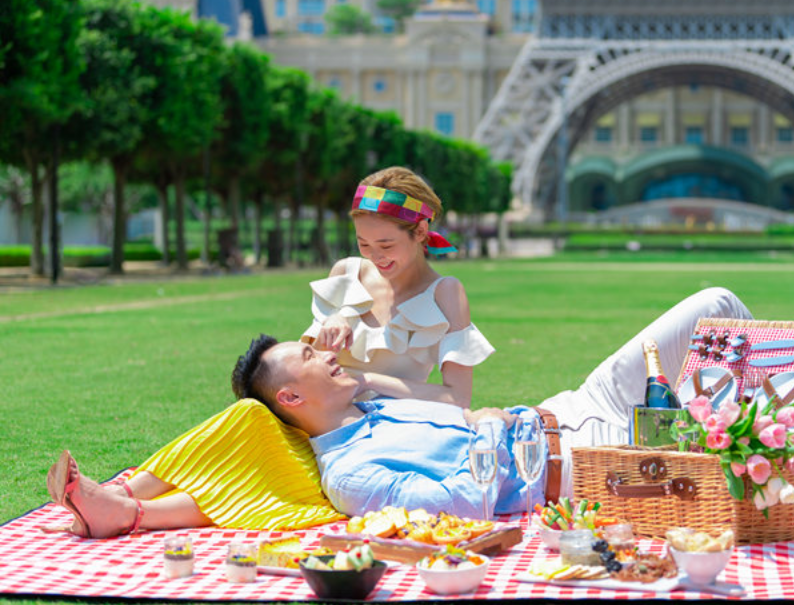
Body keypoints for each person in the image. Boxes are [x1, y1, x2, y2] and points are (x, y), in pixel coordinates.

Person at [46, 287, 760, 535]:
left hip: (572, 404)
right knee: (723, 459)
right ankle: (779, 448)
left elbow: (453, 395)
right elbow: (464, 504)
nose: (323, 352)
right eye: (308, 357)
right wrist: (489, 437)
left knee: (717, 305)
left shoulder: (369, 398)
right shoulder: (352, 476)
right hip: (570, 461)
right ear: (290, 400)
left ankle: (775, 429)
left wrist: (356, 365)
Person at [44, 166, 496, 538]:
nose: (375, 257)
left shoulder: (445, 294)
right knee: (250, 416)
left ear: (421, 231)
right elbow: (295, 367)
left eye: (386, 245)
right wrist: (330, 325)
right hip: (314, 413)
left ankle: (123, 511)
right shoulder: (348, 273)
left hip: (378, 436)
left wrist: (368, 381)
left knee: (268, 472)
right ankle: (120, 496)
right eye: (364, 244)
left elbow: (457, 400)